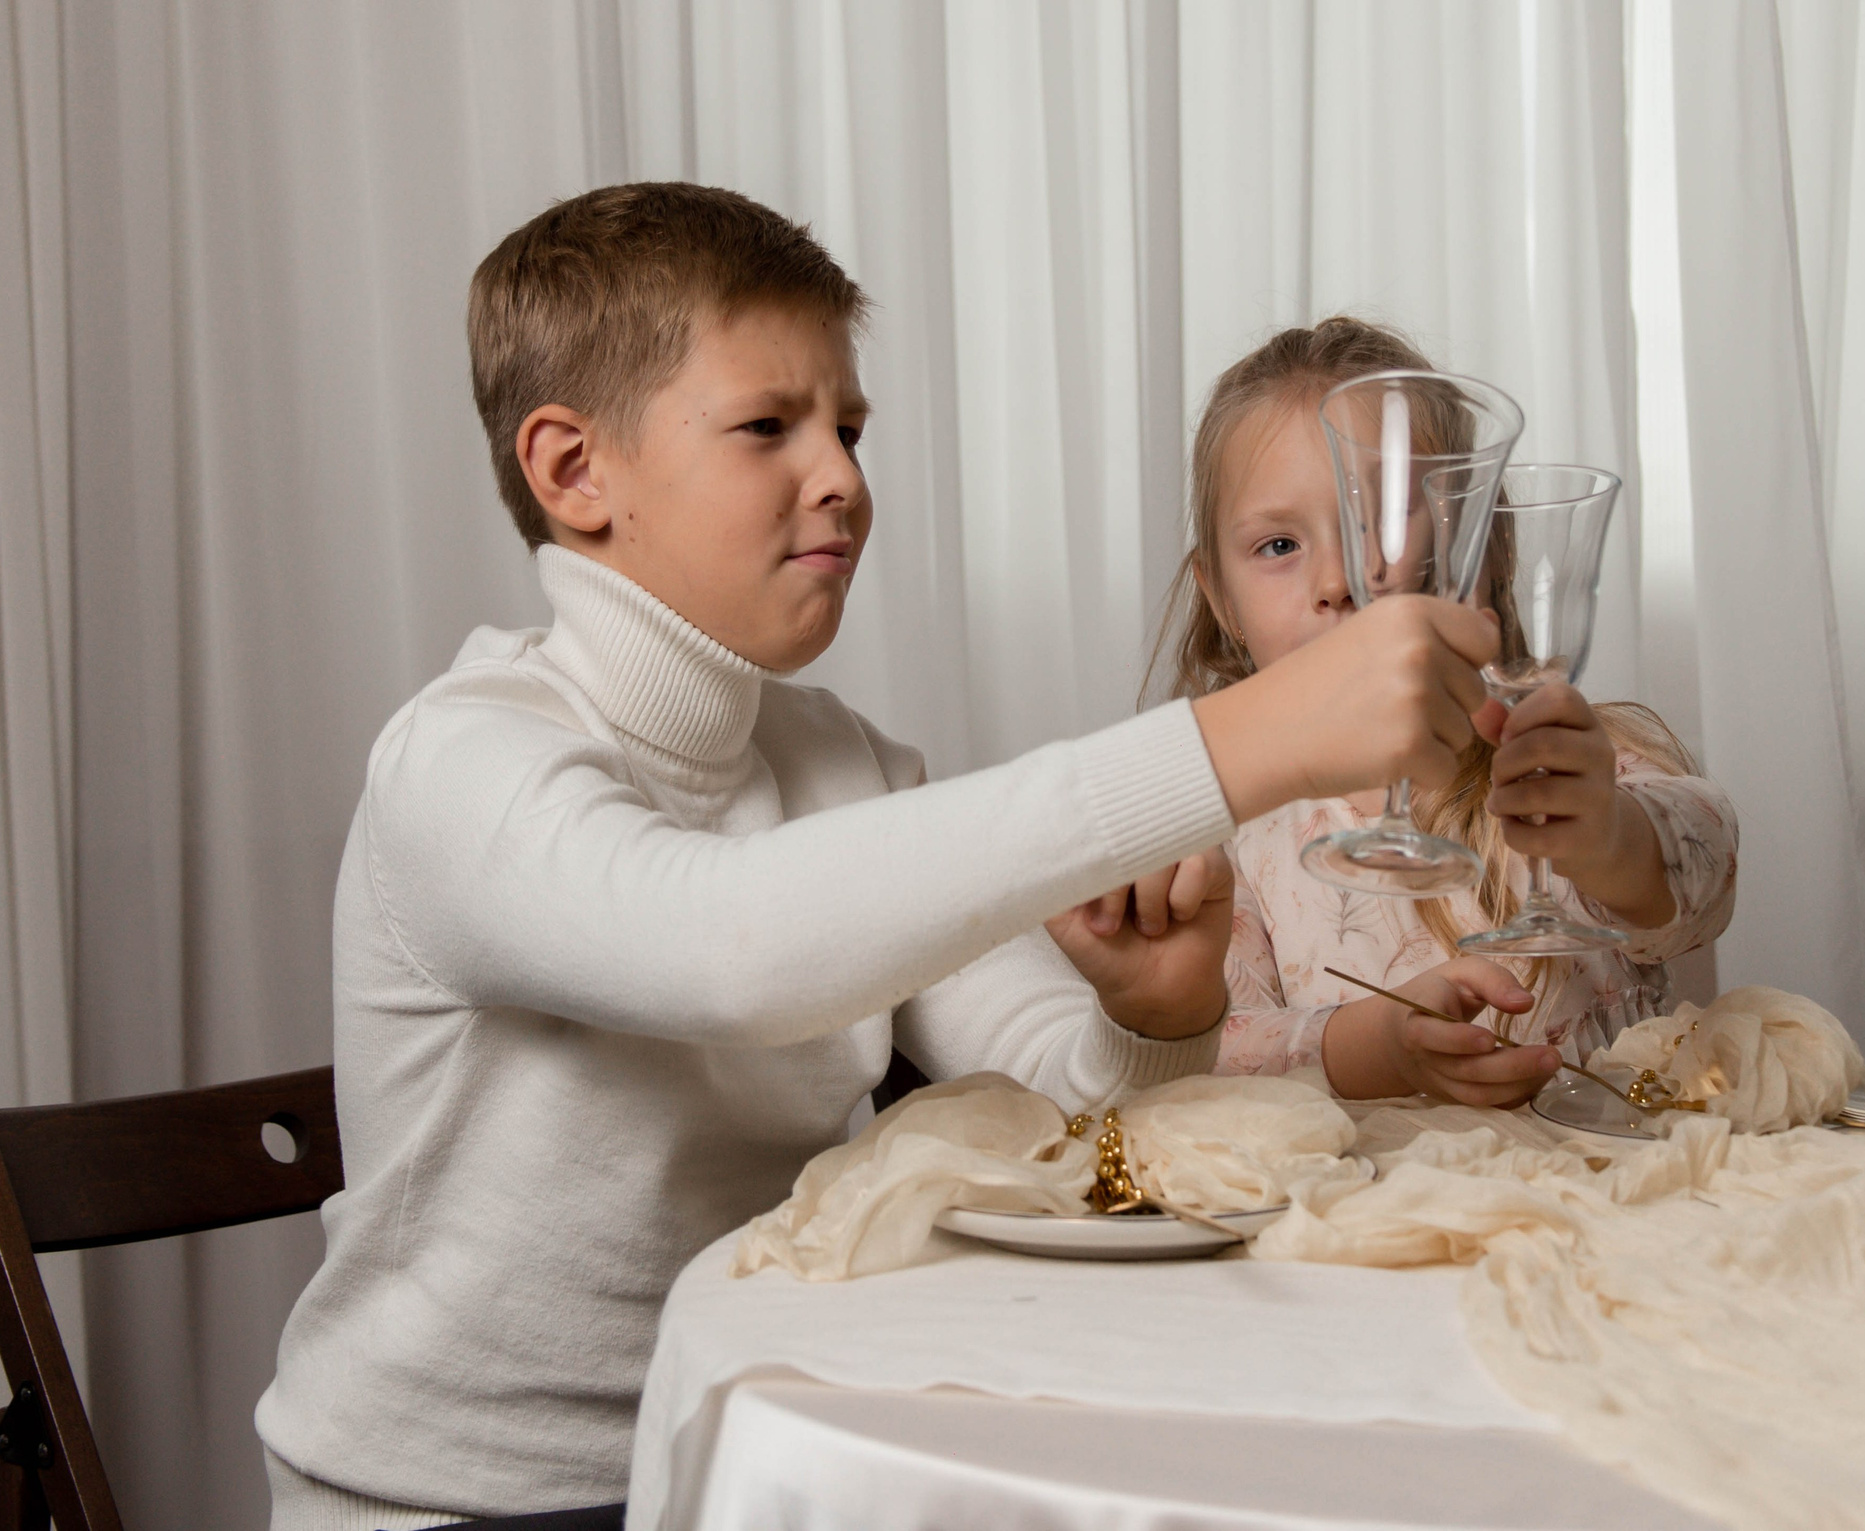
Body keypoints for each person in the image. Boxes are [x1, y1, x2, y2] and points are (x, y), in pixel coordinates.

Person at [254, 187, 1504, 1527]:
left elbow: (1070, 1101)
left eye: (847, 425)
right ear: (573, 470)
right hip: (456, 1502)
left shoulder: (845, 761)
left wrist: (1163, 1015)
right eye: (767, 426)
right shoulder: (460, 761)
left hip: (758, 1449)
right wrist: (1235, 739)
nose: (843, 472)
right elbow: (728, 949)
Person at [1144, 316, 1738, 1107]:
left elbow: (1706, 863)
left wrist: (1606, 832)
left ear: (1478, 559)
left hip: (1609, 1195)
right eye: (1279, 545)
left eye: (1380, 524)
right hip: (1389, 1209)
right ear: (1221, 599)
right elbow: (1215, 1045)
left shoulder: (1553, 756)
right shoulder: (1235, 841)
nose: (1337, 579)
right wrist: (1379, 1046)